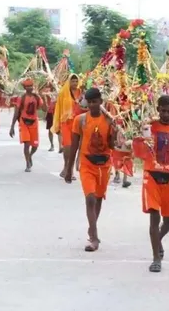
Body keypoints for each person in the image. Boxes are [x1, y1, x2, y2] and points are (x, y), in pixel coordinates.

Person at [134, 95, 169, 273]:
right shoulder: (149, 126)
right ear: (158, 109)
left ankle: (157, 241)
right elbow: (139, 146)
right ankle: (156, 258)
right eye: (163, 110)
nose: (166, 114)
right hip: (151, 176)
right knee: (154, 216)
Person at [65, 88, 117, 252]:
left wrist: (114, 135)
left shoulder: (109, 121)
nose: (93, 105)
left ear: (101, 102)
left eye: (96, 102)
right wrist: (69, 168)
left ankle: (91, 226)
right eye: (90, 102)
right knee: (90, 198)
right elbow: (74, 146)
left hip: (104, 165)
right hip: (87, 164)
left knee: (99, 199)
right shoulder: (80, 120)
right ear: (87, 103)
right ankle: (94, 237)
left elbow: (111, 145)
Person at [9, 78, 47, 172]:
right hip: (24, 123)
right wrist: (12, 126)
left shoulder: (37, 98)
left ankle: (30, 155)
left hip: (34, 123)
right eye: (28, 86)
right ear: (25, 88)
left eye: (31, 86)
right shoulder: (21, 98)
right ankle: (27, 163)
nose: (30, 88)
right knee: (26, 144)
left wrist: (44, 99)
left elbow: (45, 109)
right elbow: (16, 113)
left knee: (35, 146)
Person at [52, 74, 84, 180]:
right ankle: (66, 167)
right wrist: (58, 126)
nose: (74, 83)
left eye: (76, 81)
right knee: (67, 146)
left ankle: (69, 170)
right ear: (69, 82)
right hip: (66, 123)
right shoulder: (63, 93)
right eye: (72, 81)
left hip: (77, 123)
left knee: (75, 147)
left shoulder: (81, 93)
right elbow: (58, 109)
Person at [43, 84, 61, 152]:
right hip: (50, 112)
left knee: (59, 130)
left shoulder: (59, 88)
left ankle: (60, 146)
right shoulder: (47, 90)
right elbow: (45, 100)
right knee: (50, 130)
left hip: (58, 112)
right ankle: (52, 145)